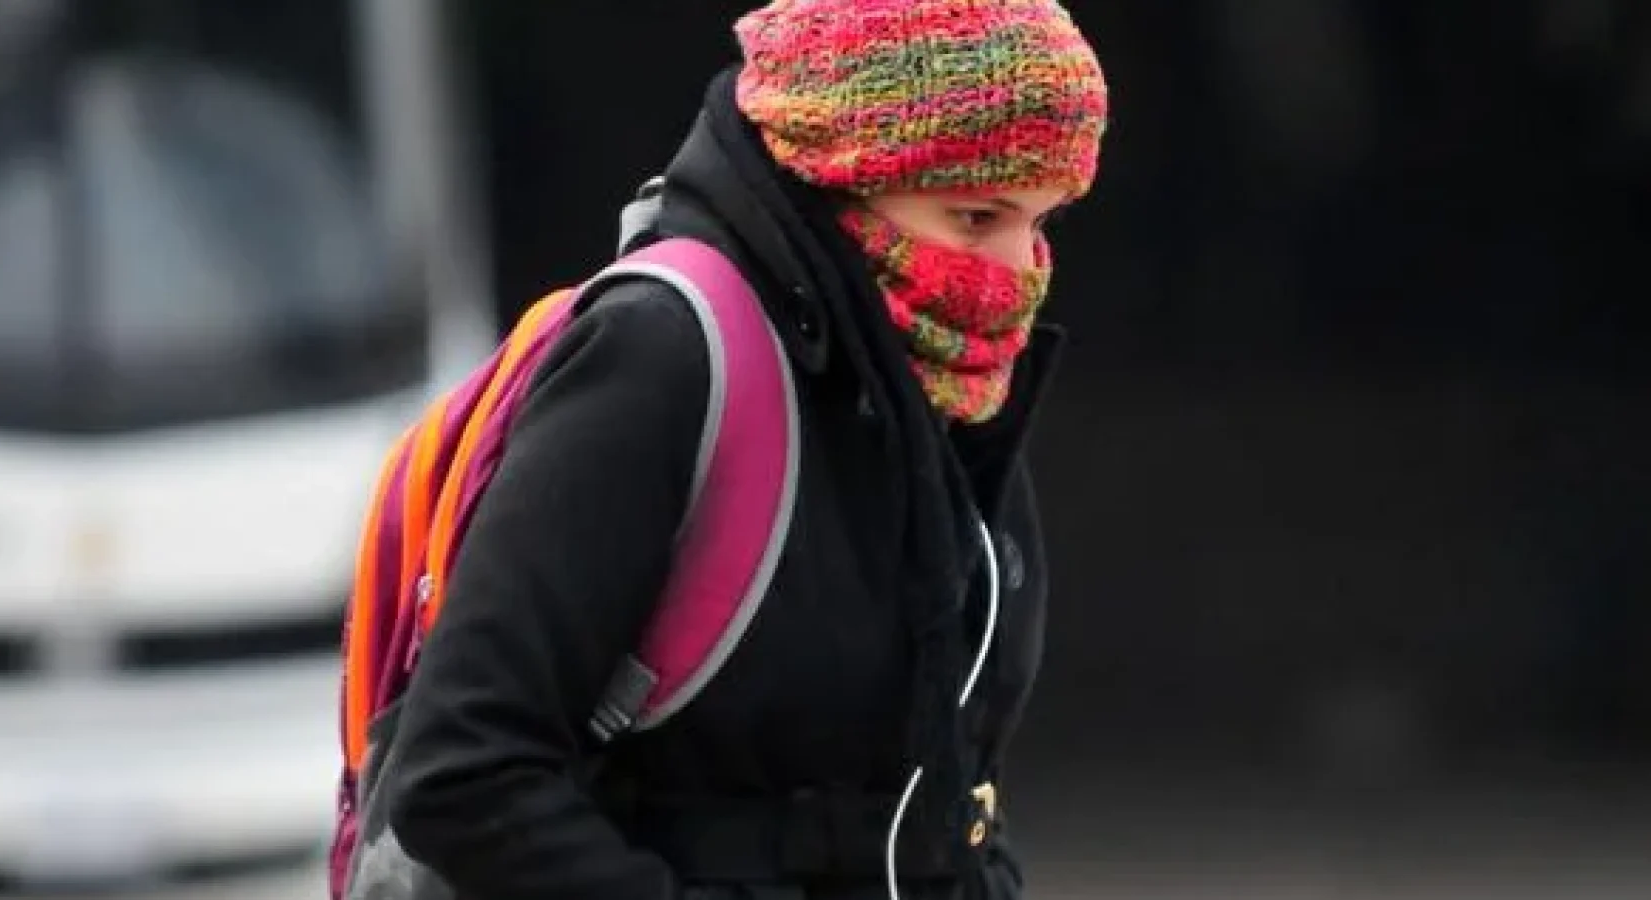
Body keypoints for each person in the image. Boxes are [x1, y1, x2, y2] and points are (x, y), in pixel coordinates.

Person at [380, 1, 1109, 898]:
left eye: (1041, 224)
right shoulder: (664, 356)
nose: (1015, 273)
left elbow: (939, 800)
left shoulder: (947, 376)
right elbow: (462, 775)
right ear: (838, 170)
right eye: (975, 216)